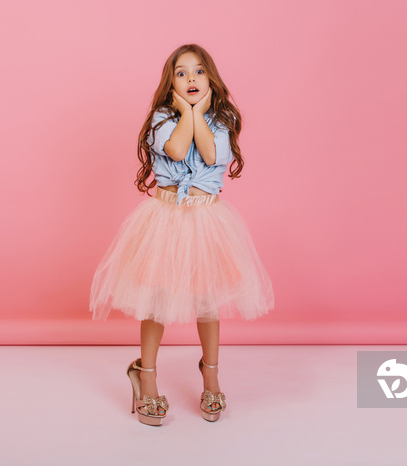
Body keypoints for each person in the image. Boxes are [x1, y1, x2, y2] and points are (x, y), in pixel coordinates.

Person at [89, 44, 274, 426]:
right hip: (166, 217)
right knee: (155, 300)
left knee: (208, 301)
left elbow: (210, 154)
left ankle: (211, 374)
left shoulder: (221, 120)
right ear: (170, 83)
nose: (191, 78)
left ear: (211, 79)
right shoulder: (161, 117)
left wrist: (200, 114)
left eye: (199, 71)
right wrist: (188, 113)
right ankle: (147, 376)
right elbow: (174, 147)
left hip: (207, 219)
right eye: (182, 73)